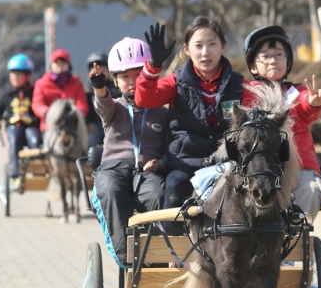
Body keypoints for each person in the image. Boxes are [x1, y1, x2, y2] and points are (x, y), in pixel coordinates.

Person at [134, 14, 246, 216]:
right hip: (185, 163)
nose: (205, 52)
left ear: (223, 46)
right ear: (186, 49)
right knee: (175, 184)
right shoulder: (175, 82)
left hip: (228, 163)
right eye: (198, 45)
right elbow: (144, 99)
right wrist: (153, 66)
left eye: (212, 44)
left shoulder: (240, 84)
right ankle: (171, 242)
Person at [89, 37, 171, 267]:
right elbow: (102, 104)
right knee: (109, 191)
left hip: (147, 172)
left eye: (138, 75)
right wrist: (98, 87)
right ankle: (127, 259)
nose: (132, 82)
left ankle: (157, 258)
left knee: (158, 194)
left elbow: (169, 149)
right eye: (125, 77)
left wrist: (160, 164)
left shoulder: (162, 113)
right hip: (113, 169)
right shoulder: (114, 108)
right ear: (115, 80)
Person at [243, 25, 321, 222]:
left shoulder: (295, 92)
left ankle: (295, 234)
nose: (273, 60)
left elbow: (305, 105)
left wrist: (314, 102)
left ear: (288, 62)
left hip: (299, 167)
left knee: (312, 188)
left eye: (279, 55)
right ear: (253, 66)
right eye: (265, 55)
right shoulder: (245, 92)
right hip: (258, 167)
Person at [0, 53, 40, 188]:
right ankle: (15, 174)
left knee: (35, 141)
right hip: (13, 127)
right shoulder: (8, 95)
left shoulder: (34, 92)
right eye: (12, 73)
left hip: (31, 126)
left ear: (28, 76)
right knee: (13, 141)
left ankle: (37, 170)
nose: (14, 77)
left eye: (18, 74)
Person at [32, 48, 88, 134]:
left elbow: (82, 106)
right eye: (56, 63)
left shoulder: (77, 84)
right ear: (51, 65)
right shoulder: (41, 83)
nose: (59, 65)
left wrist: (73, 115)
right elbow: (37, 104)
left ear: (68, 65)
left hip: (72, 126)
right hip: (49, 126)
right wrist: (49, 113)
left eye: (63, 63)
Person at [84, 51, 118, 147]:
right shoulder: (86, 89)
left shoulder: (115, 87)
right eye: (95, 70)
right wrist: (87, 123)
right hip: (94, 124)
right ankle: (88, 160)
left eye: (103, 70)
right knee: (90, 139)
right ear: (89, 73)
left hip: (113, 122)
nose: (99, 73)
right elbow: (83, 107)